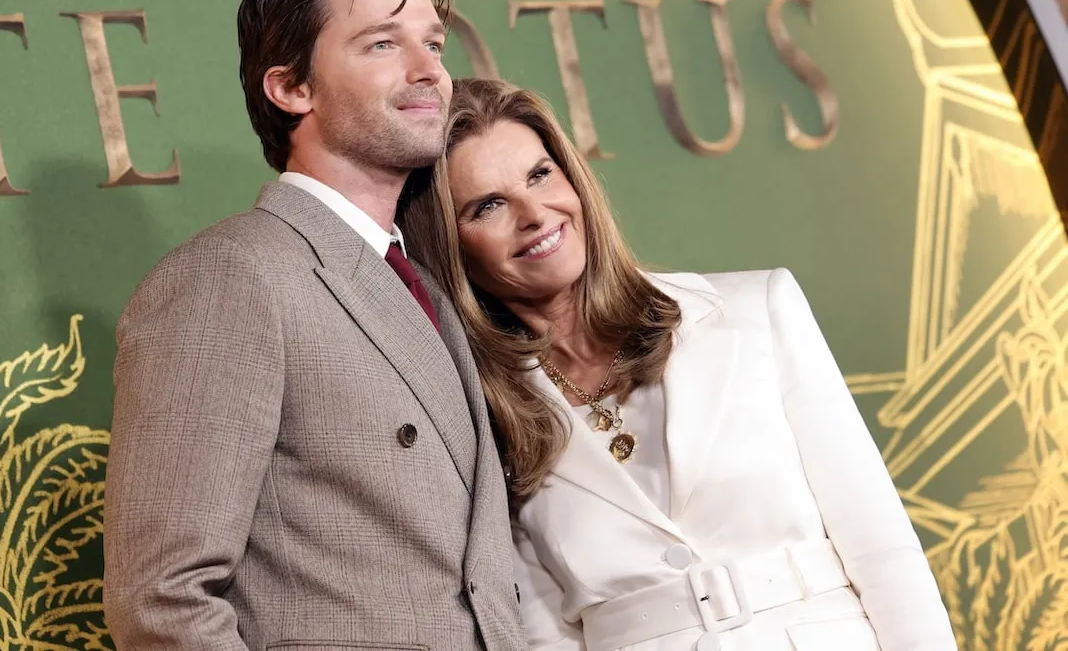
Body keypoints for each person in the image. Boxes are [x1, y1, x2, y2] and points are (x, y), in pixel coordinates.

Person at [398, 78, 957, 651]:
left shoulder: (756, 310)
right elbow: (544, 632)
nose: (535, 214)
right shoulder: (481, 415)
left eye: (541, 175)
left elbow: (882, 547)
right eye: (488, 206)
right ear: (451, 245)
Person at [103, 0, 524, 651]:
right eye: (383, 45)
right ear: (292, 87)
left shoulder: (423, 279)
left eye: (435, 44)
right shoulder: (231, 278)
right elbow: (161, 603)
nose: (428, 71)